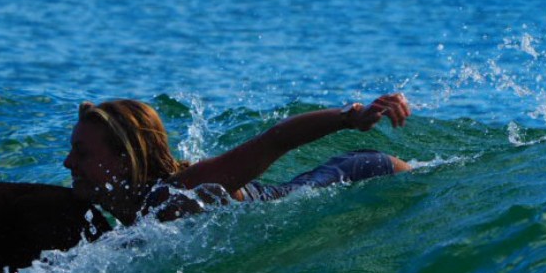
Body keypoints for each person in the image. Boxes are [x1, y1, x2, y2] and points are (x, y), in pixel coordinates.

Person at [64, 94, 411, 227]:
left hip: (364, 174)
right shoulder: (124, 205)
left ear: (125, 160)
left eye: (81, 153)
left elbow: (278, 140)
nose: (67, 163)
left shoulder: (178, 195)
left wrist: (351, 118)